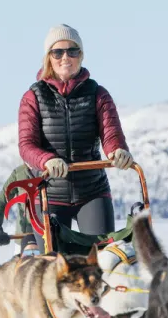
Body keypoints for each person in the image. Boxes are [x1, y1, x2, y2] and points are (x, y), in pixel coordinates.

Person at [17, 24, 135, 254]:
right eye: (57, 52)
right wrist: (46, 160)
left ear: (81, 55)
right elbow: (26, 145)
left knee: (101, 259)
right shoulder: (33, 97)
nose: (65, 57)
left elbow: (111, 134)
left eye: (72, 51)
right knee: (55, 265)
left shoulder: (97, 93)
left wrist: (117, 151)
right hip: (49, 193)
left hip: (91, 190)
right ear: (48, 58)